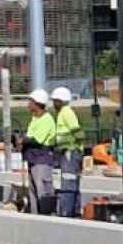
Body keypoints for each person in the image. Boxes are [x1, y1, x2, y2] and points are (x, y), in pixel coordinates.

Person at [21, 89, 57, 214]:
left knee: (42, 189)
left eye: (30, 102)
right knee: (33, 191)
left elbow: (37, 140)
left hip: (41, 159)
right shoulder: (35, 119)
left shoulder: (46, 119)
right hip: (33, 159)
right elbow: (29, 137)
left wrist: (23, 141)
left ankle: (45, 216)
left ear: (37, 103)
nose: (28, 104)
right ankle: (35, 216)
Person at [49, 86, 83, 217]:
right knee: (71, 181)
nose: (53, 104)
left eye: (55, 101)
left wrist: (74, 147)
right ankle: (74, 210)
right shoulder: (62, 113)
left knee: (68, 182)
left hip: (70, 151)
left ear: (60, 101)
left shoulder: (66, 112)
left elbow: (76, 131)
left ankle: (67, 212)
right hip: (67, 150)